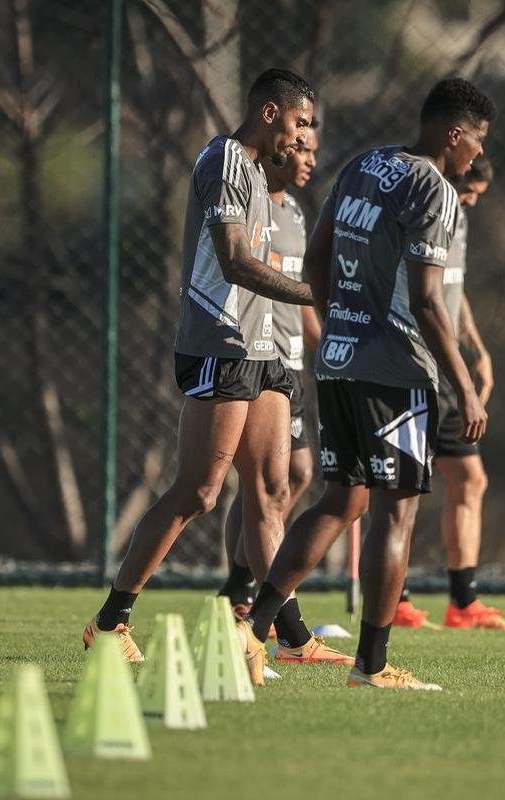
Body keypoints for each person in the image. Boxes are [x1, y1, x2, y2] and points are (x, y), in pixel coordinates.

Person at [84, 69, 349, 675]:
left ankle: (291, 634)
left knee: (273, 492)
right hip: (220, 343)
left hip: (262, 351)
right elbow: (232, 261)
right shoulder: (227, 158)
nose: (305, 135)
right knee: (199, 492)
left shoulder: (261, 177)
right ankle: (111, 621)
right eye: (300, 121)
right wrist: (316, 293)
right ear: (269, 113)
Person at [241, 77, 496, 690]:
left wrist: (338, 326)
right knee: (394, 514)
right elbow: (429, 301)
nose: (475, 158)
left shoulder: (366, 166)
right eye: (475, 143)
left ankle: (249, 636)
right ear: (454, 135)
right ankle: (372, 666)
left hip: (338, 358)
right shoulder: (433, 186)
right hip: (395, 370)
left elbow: (319, 256)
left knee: (342, 500)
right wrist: (462, 383)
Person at [391, 156, 505, 633]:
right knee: (400, 487)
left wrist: (477, 347)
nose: (471, 201)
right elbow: (421, 288)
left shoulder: (458, 217)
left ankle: (463, 602)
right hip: (413, 365)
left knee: (470, 479)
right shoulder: (427, 206)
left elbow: (452, 287)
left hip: (451, 374)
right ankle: (395, 598)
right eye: (470, 191)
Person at [218, 125, 325, 652]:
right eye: (301, 148)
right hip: (253, 360)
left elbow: (301, 300)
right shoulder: (249, 194)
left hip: (290, 365)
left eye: (313, 152)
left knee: (287, 480)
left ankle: (249, 596)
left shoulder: (297, 214)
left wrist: (324, 348)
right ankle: (251, 600)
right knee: (262, 487)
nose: (307, 160)